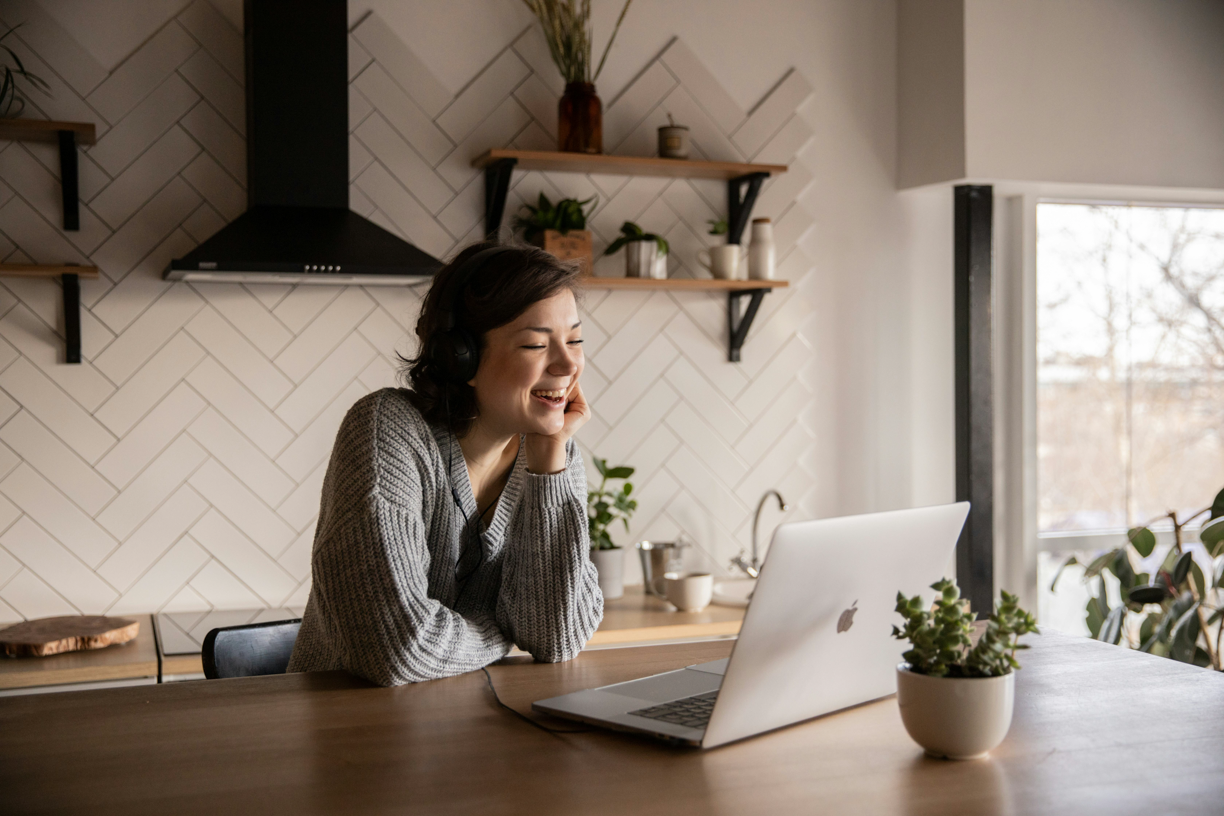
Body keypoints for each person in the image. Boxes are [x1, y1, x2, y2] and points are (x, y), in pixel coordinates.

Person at [287, 243, 603, 686]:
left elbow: (556, 638)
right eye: (536, 343)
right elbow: (397, 648)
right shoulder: (387, 430)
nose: (569, 364)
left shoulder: (554, 457)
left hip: (469, 732)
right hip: (349, 734)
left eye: (575, 339)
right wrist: (500, 631)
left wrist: (550, 467)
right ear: (462, 358)